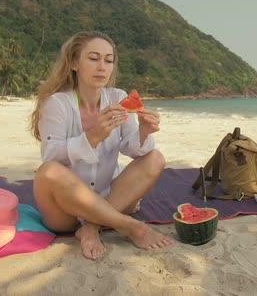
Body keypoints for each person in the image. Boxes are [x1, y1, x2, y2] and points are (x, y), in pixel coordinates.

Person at [29, 31, 175, 260]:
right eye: (94, 58)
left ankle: (91, 227)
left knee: (154, 157)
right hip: (65, 208)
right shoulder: (57, 103)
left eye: (108, 60)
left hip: (111, 198)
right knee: (48, 172)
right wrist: (93, 136)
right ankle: (130, 226)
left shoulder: (118, 97)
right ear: (74, 63)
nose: (102, 67)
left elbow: (131, 148)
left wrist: (144, 132)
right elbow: (50, 156)